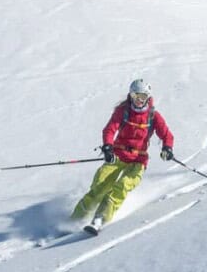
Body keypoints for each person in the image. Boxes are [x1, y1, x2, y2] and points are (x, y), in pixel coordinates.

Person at [70, 79, 174, 232]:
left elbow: (167, 135)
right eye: (135, 96)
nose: (139, 100)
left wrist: (167, 148)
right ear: (130, 95)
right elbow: (110, 129)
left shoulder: (153, 116)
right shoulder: (123, 111)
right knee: (100, 186)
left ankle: (99, 219)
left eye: (143, 97)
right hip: (118, 155)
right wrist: (107, 147)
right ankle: (74, 220)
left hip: (138, 160)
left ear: (148, 97)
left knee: (121, 187)